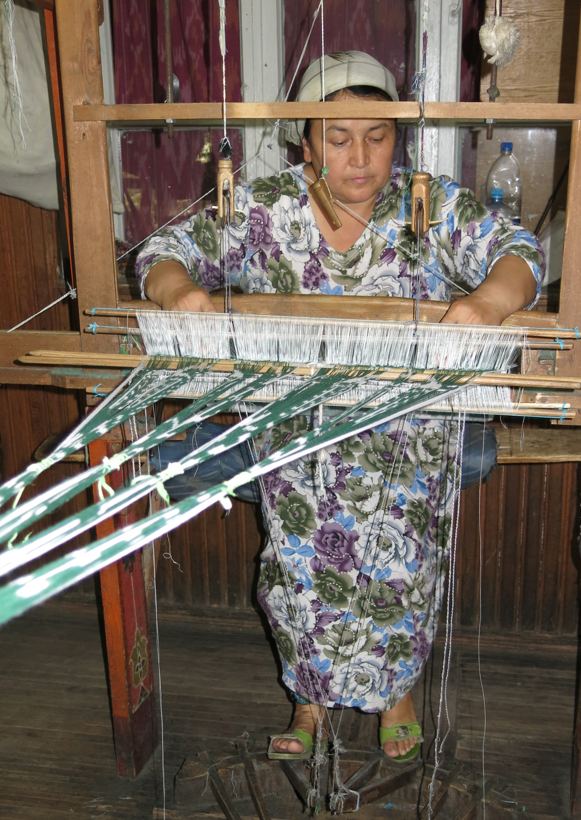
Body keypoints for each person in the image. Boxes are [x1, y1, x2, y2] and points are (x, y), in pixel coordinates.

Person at [137, 51, 544, 762]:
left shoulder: (427, 206)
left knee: (401, 561)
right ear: (305, 142)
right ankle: (309, 700)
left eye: (377, 137)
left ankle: (397, 693)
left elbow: (518, 251)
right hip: (298, 430)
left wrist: (487, 301)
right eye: (338, 138)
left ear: (398, 139)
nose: (359, 158)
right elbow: (164, 251)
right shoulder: (264, 209)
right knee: (298, 565)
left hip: (408, 430)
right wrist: (183, 295)